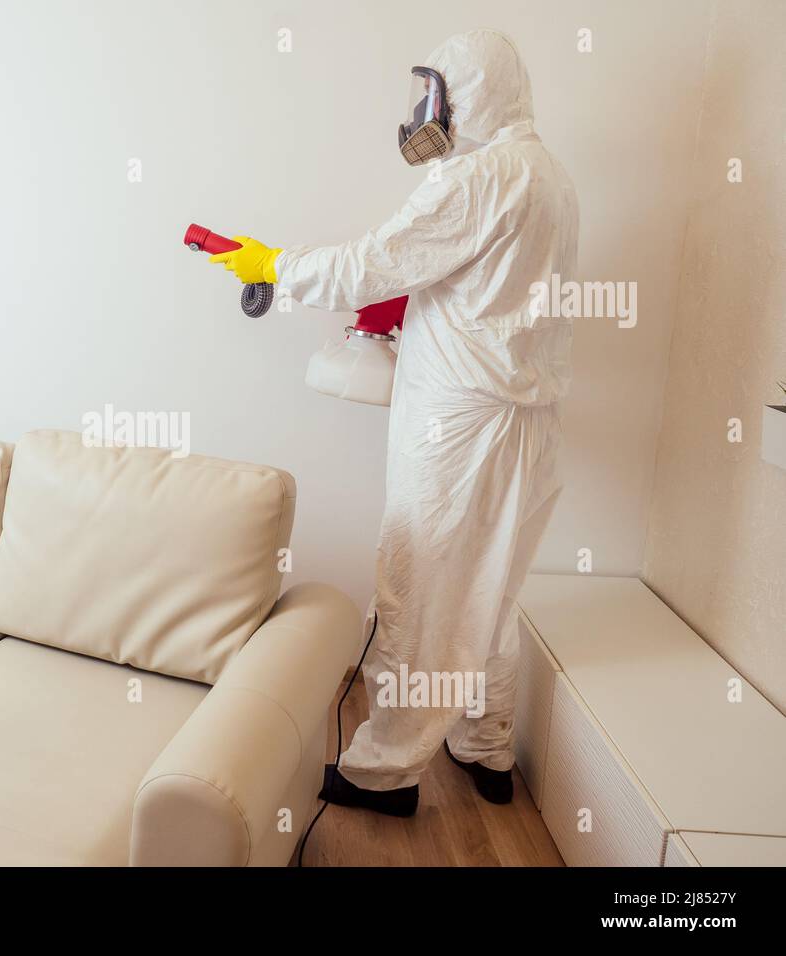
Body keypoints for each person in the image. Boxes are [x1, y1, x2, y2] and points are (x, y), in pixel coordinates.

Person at [210, 30, 579, 816]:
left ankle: (382, 774)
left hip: (459, 428)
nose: (423, 112)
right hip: (530, 426)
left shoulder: (478, 176)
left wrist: (272, 264)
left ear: (469, 94)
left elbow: (371, 262)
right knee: (493, 593)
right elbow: (477, 286)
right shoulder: (549, 175)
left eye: (434, 92)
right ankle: (485, 749)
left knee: (418, 591)